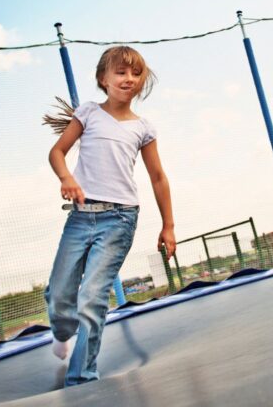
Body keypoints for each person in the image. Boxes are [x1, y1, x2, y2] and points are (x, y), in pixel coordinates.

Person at [43, 46, 176, 386]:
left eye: (135, 74)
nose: (128, 79)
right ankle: (61, 331)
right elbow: (57, 152)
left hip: (119, 218)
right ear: (103, 79)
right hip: (81, 216)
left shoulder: (143, 128)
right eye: (120, 72)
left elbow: (158, 177)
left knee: (92, 296)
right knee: (60, 294)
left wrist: (168, 225)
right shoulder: (88, 113)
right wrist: (67, 179)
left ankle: (82, 378)